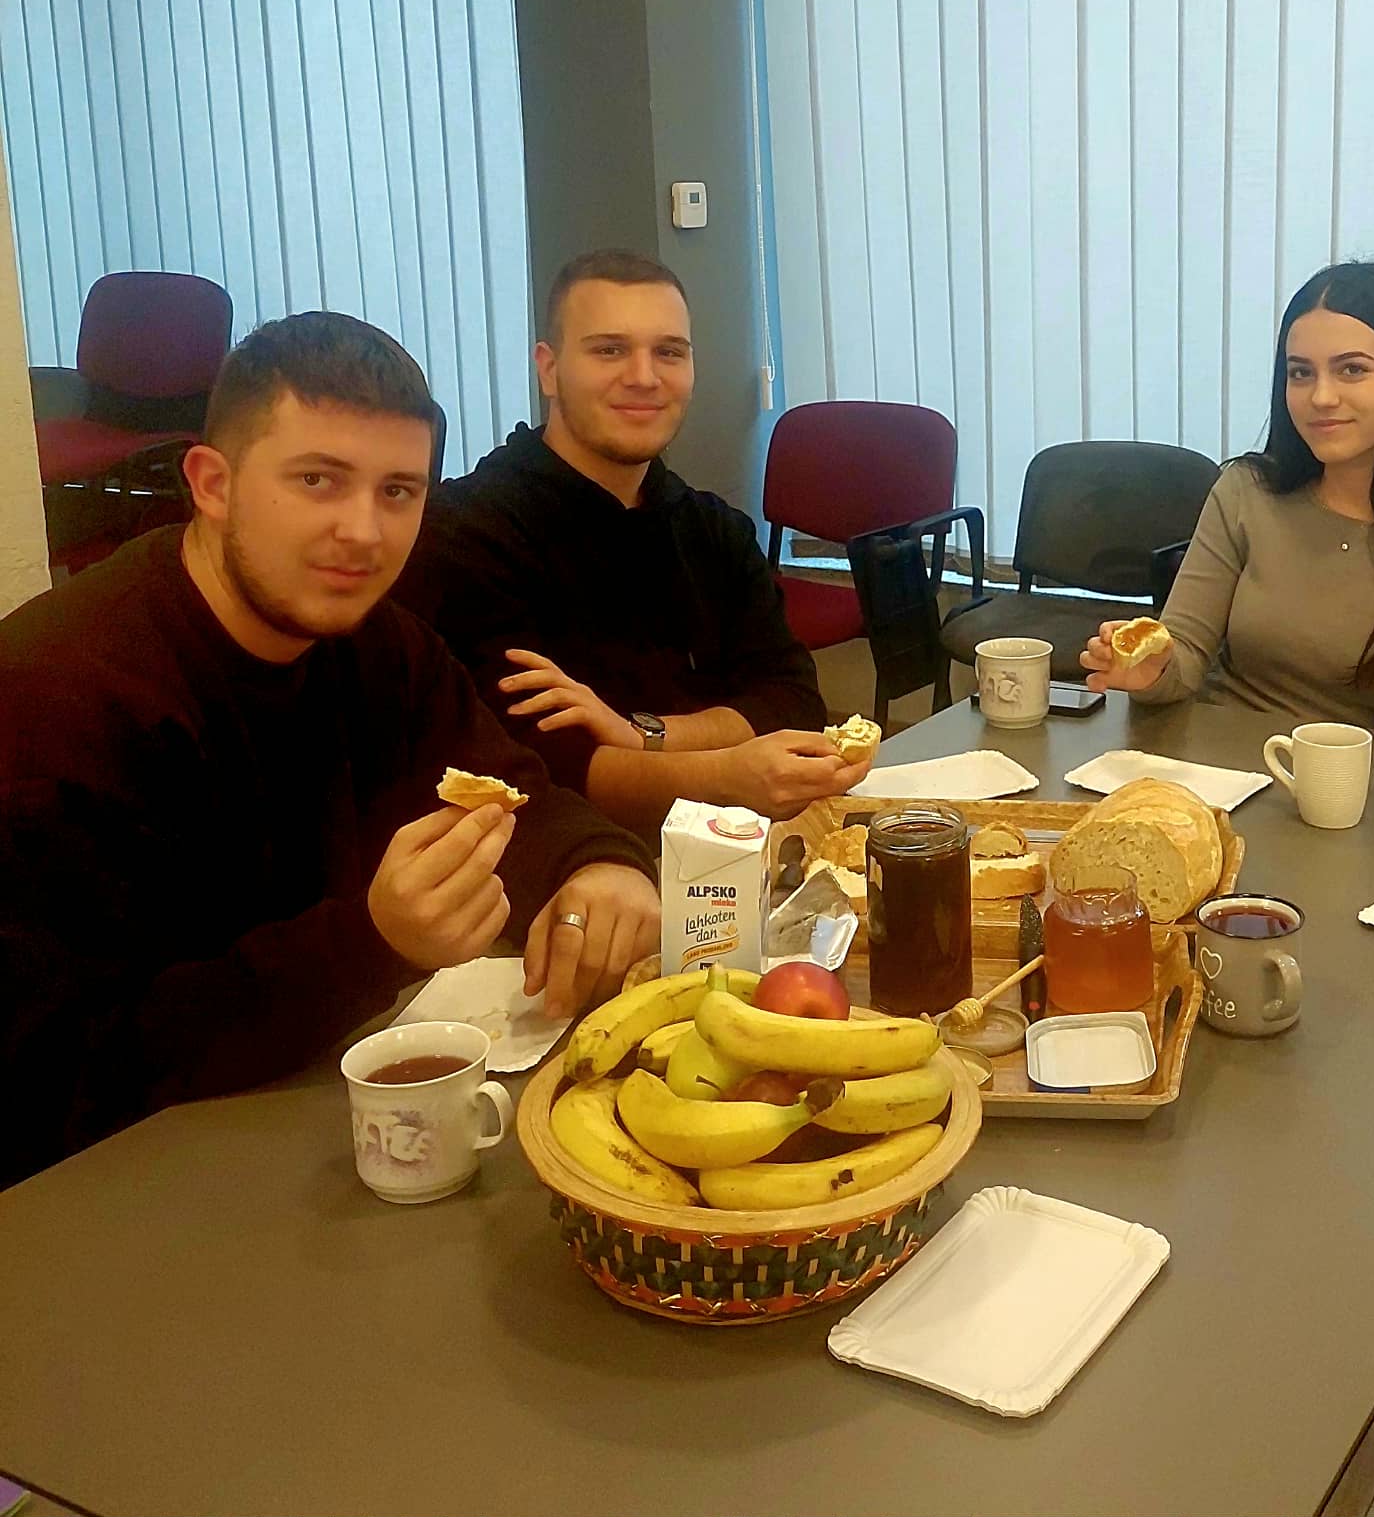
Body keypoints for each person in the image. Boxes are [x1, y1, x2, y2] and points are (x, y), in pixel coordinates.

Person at [0, 313, 661, 1189]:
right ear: (212, 484)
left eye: (399, 491)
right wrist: (371, 941)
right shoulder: (58, 704)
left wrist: (597, 862)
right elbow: (63, 1074)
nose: (364, 531)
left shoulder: (381, 645)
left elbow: (511, 792)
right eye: (318, 480)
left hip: (319, 1118)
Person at [396, 251, 861, 833]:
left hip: (738, 849)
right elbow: (533, 768)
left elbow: (792, 701)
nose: (644, 376)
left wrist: (640, 735)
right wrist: (723, 773)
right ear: (549, 370)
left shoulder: (714, 529)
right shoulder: (466, 535)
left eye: (669, 352)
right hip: (566, 866)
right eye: (609, 350)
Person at [1080, 260, 1374, 739]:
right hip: (1212, 764)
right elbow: (1183, 657)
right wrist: (1152, 671)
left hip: (1352, 778)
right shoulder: (1244, 490)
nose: (1321, 397)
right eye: (1301, 373)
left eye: (1352, 370)